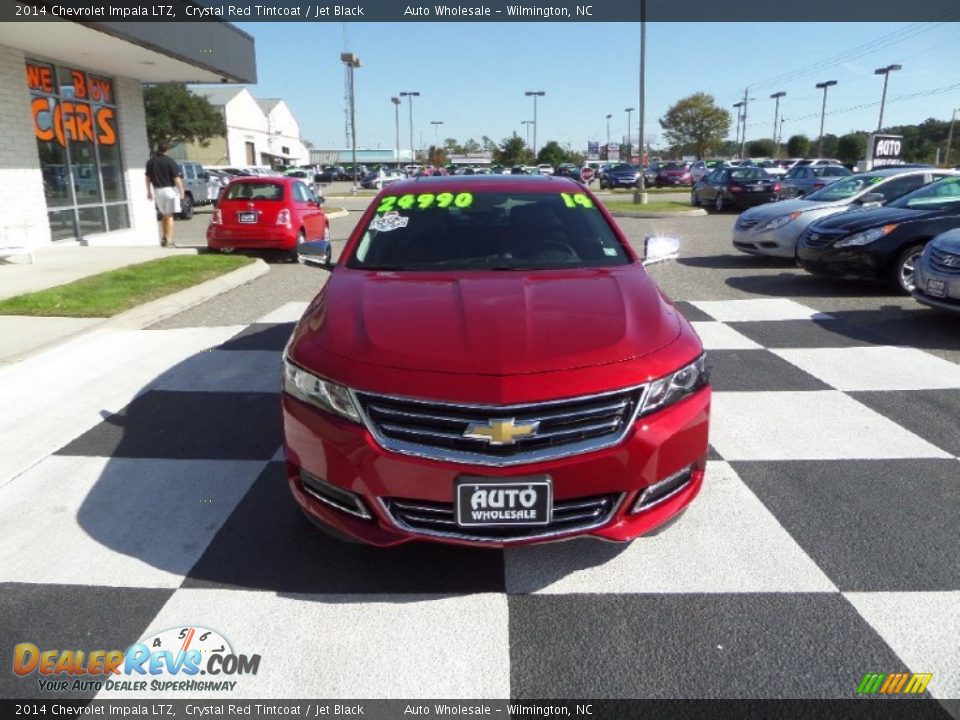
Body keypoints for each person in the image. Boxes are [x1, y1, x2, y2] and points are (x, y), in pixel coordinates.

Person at [145, 143, 184, 247]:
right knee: (170, 215)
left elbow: (148, 178)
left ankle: (164, 237)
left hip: (158, 191)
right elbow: (176, 178)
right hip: (170, 191)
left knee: (164, 214)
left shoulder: (151, 161)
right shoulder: (170, 161)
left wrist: (149, 191)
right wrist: (181, 191)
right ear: (167, 149)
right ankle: (169, 240)